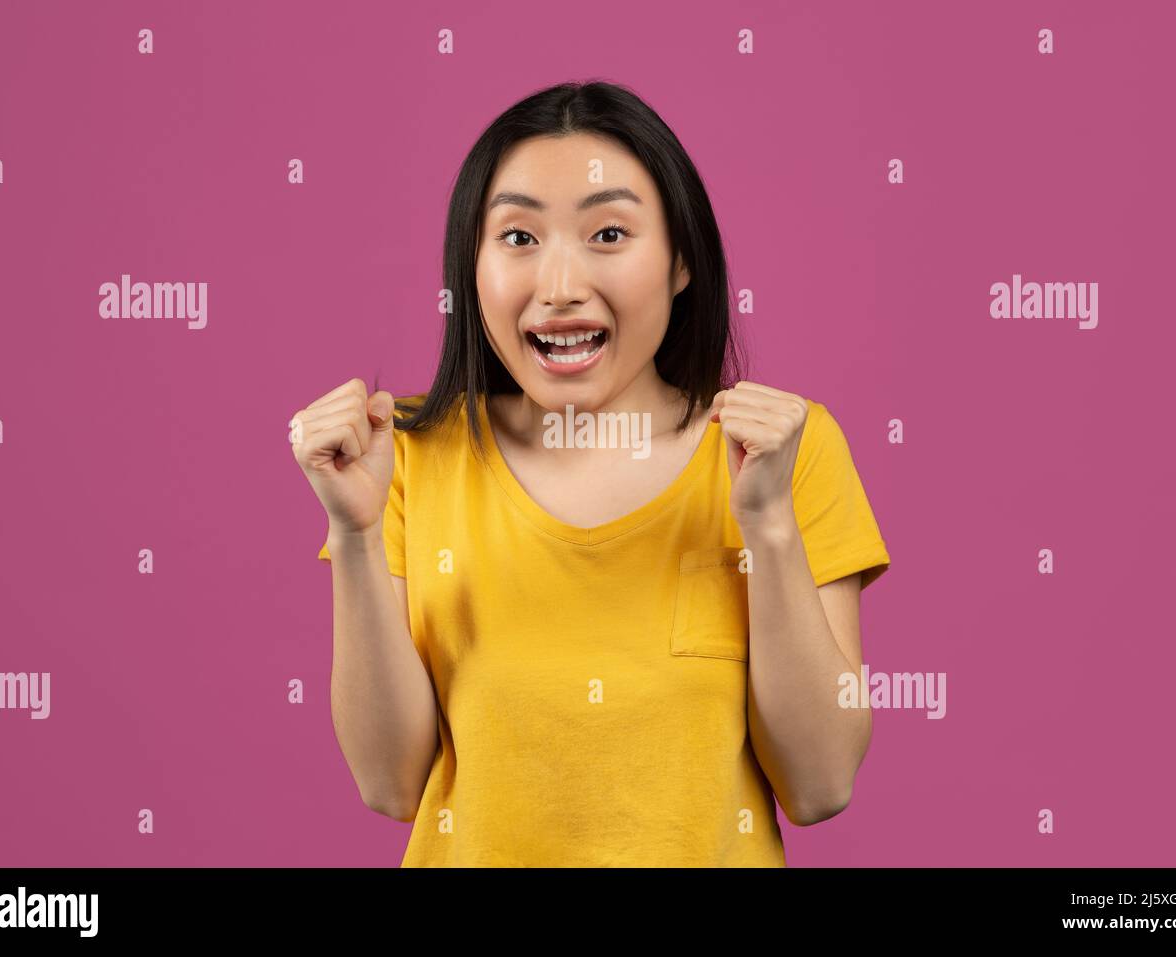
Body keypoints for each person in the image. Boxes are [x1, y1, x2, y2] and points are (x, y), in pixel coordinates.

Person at [291, 80, 891, 867]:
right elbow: (389, 781)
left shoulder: (787, 451)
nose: (562, 286)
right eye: (518, 238)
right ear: (470, 270)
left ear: (682, 262)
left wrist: (769, 524)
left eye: (609, 234)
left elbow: (819, 783)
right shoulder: (403, 455)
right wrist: (356, 531)